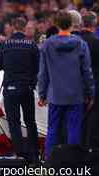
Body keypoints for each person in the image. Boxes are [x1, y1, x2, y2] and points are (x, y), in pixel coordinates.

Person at [38, 11, 95, 159]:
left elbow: (43, 73)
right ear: (71, 24)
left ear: (56, 24)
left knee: (53, 129)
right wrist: (91, 94)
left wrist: (42, 94)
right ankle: (73, 161)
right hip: (76, 94)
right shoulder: (80, 44)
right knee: (74, 129)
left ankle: (50, 161)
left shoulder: (47, 44)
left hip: (55, 94)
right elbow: (87, 72)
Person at [0, 17, 40, 165]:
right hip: (27, 88)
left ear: (13, 27)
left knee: (14, 122)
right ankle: (34, 155)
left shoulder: (4, 44)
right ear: (24, 27)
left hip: (10, 88)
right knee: (30, 121)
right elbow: (37, 68)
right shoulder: (32, 45)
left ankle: (20, 155)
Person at [80, 11, 99, 147]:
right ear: (95, 23)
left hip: (74, 87)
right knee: (92, 121)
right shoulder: (96, 42)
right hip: (94, 86)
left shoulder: (75, 41)